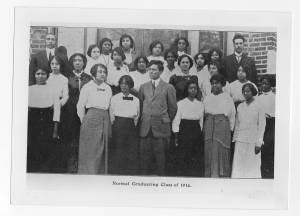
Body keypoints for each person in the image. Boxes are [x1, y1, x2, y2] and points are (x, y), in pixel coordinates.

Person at [139, 60, 177, 176]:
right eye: (149, 69)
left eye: (154, 69)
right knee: (145, 156)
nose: (151, 71)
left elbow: (173, 108)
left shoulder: (168, 87)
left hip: (161, 126)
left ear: (160, 71)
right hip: (146, 127)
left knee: (161, 157)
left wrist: (164, 119)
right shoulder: (143, 86)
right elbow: (140, 106)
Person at [77, 64, 112, 174]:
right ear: (93, 74)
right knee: (90, 149)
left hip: (105, 118)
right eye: (100, 71)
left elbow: (110, 106)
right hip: (90, 118)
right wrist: (84, 121)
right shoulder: (87, 87)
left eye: (104, 72)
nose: (103, 74)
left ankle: (100, 175)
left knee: (102, 148)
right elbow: (80, 105)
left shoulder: (108, 88)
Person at [27, 67, 60, 173]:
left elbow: (57, 110)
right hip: (33, 120)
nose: (40, 76)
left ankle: (46, 172)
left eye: (43, 74)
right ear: (34, 75)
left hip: (47, 120)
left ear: (47, 75)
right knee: (33, 146)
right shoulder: (29, 89)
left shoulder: (53, 90)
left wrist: (55, 130)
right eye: (38, 73)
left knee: (46, 147)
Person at [63, 53, 92, 173]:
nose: (78, 62)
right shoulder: (66, 78)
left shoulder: (89, 78)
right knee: (71, 138)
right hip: (70, 112)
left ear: (84, 63)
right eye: (75, 61)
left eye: (80, 60)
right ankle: (71, 166)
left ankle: (84, 166)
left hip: (85, 112)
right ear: (72, 63)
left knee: (84, 138)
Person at [203, 74, 236, 178]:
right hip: (209, 125)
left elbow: (232, 115)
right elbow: (204, 113)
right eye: (212, 83)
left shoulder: (227, 97)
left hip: (223, 126)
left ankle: (221, 174)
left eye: (217, 83)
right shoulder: (207, 97)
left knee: (221, 149)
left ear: (222, 84)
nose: (214, 85)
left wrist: (230, 129)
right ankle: (210, 174)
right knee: (209, 149)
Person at [232, 83, 266, 178]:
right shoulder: (240, 106)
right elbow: (237, 124)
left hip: (253, 140)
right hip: (240, 140)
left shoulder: (259, 106)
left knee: (252, 166)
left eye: (248, 91)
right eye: (244, 92)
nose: (246, 93)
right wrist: (235, 139)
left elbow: (262, 125)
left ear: (253, 92)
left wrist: (259, 143)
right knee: (239, 165)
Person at [172, 80, 204, 176]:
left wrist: (199, 132)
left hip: (196, 130)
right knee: (184, 154)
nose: (193, 90)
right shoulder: (181, 103)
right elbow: (176, 120)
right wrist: (176, 135)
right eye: (191, 88)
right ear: (187, 90)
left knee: (195, 154)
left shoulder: (200, 104)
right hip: (184, 130)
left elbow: (201, 121)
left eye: (195, 88)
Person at [109, 75, 140, 175]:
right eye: (122, 83)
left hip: (130, 127)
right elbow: (111, 114)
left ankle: (129, 173)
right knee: (118, 150)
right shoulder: (114, 98)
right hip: (118, 126)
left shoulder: (136, 100)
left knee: (131, 151)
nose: (124, 86)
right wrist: (116, 125)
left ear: (130, 85)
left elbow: (137, 116)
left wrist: (131, 125)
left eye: (126, 84)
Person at [47, 55, 69, 172]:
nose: (54, 66)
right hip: (47, 108)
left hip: (59, 109)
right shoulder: (47, 77)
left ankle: (58, 166)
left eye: (57, 64)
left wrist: (57, 104)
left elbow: (66, 96)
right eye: (52, 64)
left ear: (61, 66)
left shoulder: (64, 79)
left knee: (58, 135)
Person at [257, 76, 275, 178]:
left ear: (271, 85)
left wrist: (269, 114)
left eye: (266, 84)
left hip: (270, 124)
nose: (264, 86)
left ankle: (269, 174)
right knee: (260, 148)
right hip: (260, 124)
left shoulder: (274, 97)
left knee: (268, 148)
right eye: (262, 84)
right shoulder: (258, 98)